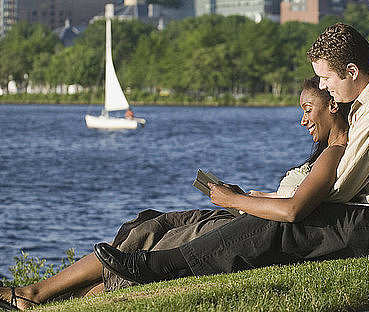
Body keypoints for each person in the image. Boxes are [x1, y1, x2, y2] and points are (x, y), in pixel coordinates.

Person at [89, 22, 369, 286]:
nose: (324, 88)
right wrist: (257, 199)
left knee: (283, 225)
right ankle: (160, 263)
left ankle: (157, 266)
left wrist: (250, 201)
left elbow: (335, 192)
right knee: (275, 219)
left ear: (352, 70)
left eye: (326, 79)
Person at [0, 77, 349, 310]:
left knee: (159, 244)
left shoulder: (334, 151)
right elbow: (289, 199)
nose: (303, 120)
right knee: (150, 223)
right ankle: (49, 295)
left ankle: (36, 295)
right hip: (249, 212)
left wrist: (233, 201)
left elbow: (294, 210)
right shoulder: (323, 151)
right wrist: (245, 196)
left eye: (307, 109)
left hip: (253, 223)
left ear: (333, 106)